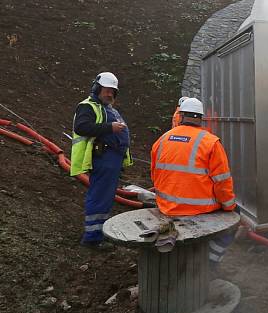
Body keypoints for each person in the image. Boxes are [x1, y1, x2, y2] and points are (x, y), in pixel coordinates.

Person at [150, 97, 237, 267]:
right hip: (199, 210)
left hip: (166, 206)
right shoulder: (211, 142)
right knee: (233, 221)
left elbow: (155, 177)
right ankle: (210, 263)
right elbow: (222, 182)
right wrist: (229, 207)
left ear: (180, 116)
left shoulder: (162, 140)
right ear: (201, 118)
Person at [71, 72, 133, 250]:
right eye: (107, 90)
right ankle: (92, 238)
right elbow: (81, 127)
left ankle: (98, 233)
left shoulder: (109, 109)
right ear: (97, 89)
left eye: (113, 92)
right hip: (102, 158)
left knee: (105, 198)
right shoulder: (87, 106)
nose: (110, 95)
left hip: (111, 160)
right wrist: (109, 127)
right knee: (99, 197)